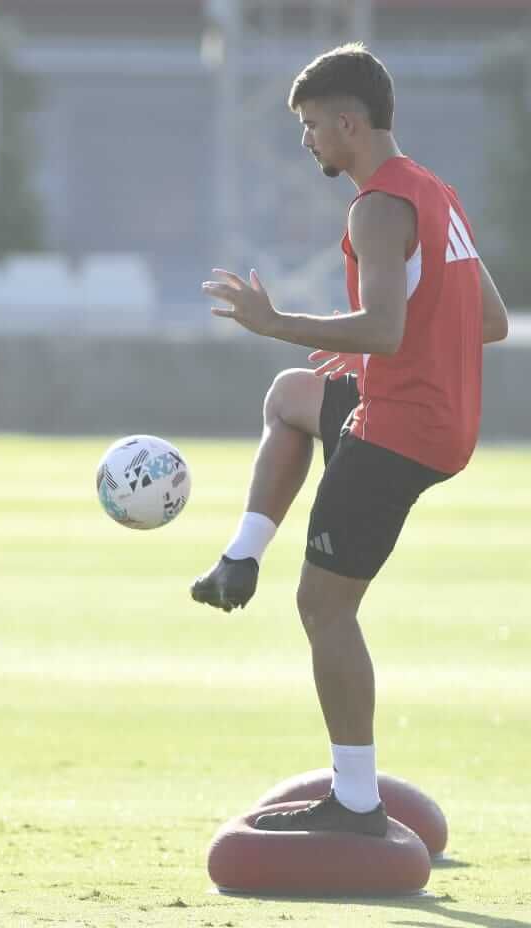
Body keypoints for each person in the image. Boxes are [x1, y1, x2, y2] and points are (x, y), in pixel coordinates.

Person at [194, 44, 510, 835]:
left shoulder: (375, 206)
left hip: (402, 428)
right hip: (437, 415)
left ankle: (357, 804)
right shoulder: (434, 191)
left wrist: (276, 323)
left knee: (324, 608)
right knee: (293, 397)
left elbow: (385, 325)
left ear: (348, 122)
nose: (306, 143)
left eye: (309, 127)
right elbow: (491, 320)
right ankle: (240, 558)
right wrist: (371, 346)